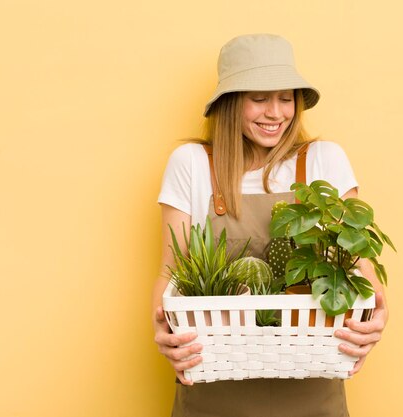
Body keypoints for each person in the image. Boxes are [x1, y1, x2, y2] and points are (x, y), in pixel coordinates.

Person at [152, 33, 388, 417]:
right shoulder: (191, 164)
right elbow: (172, 269)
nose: (276, 113)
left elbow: (358, 264)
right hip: (213, 387)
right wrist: (161, 328)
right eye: (259, 98)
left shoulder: (323, 160)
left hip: (310, 388)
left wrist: (377, 315)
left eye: (285, 98)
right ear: (231, 103)